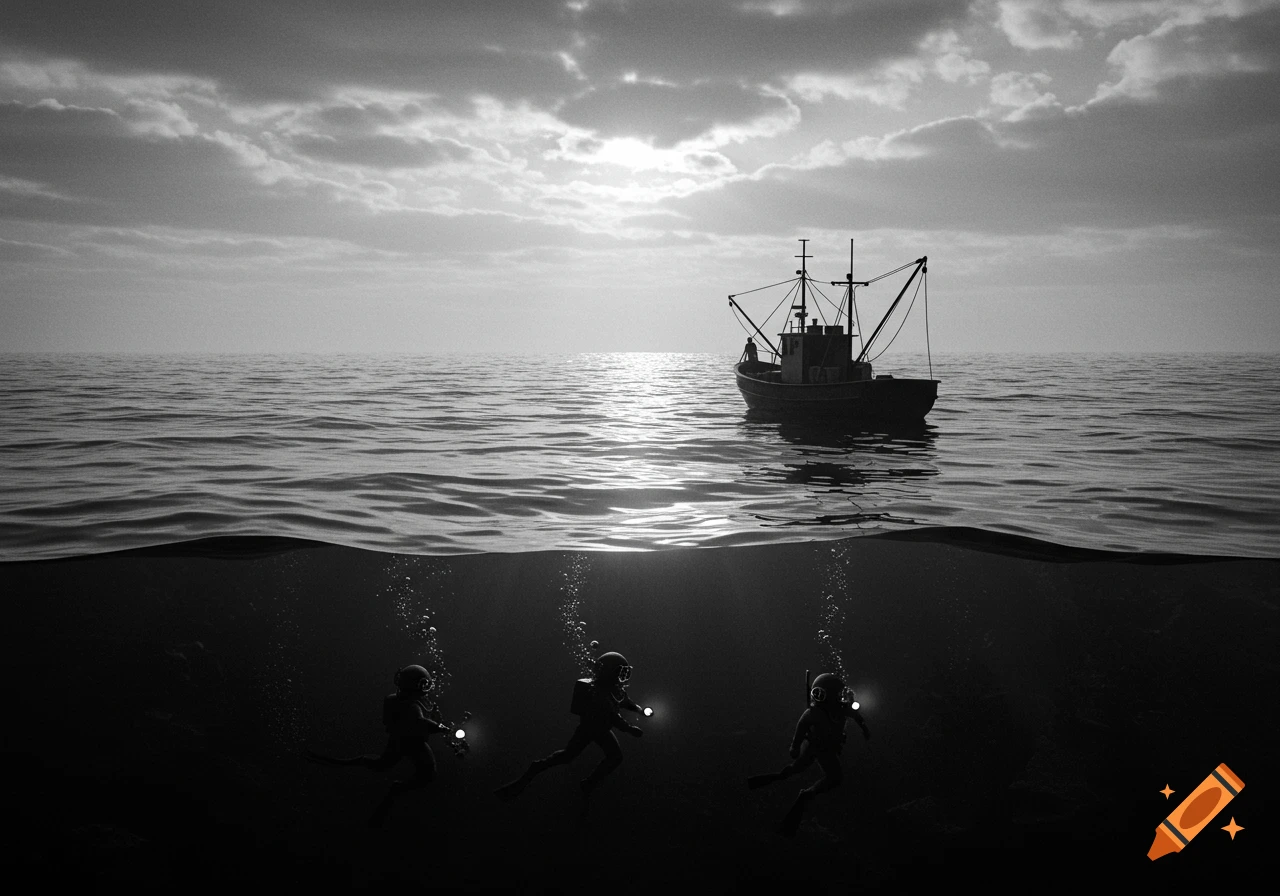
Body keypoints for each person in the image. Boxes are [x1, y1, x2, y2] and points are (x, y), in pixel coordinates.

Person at [304, 664, 448, 827]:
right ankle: (394, 790)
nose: (427, 689)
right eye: (425, 684)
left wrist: (436, 721)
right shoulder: (412, 705)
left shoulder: (398, 700)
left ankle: (342, 763)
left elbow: (419, 718)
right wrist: (440, 727)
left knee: (382, 764)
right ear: (418, 685)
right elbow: (420, 722)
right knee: (426, 773)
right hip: (411, 742)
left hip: (400, 740)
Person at [495, 651, 644, 802]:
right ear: (609, 672)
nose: (623, 678)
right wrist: (630, 729)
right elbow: (613, 716)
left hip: (601, 729)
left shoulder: (614, 689)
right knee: (568, 756)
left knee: (611, 757)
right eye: (620, 673)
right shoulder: (598, 691)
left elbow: (624, 701)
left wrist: (639, 710)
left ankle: (588, 783)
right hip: (589, 729)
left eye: (625, 673)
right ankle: (536, 770)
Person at [747, 672, 870, 837]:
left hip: (823, 749)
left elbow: (856, 716)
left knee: (807, 771)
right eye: (838, 693)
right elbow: (801, 728)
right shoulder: (815, 714)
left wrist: (864, 727)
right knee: (821, 774)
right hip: (819, 748)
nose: (842, 696)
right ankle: (797, 788)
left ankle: (791, 783)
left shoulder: (838, 709)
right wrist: (795, 746)